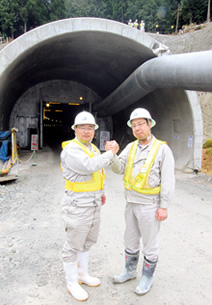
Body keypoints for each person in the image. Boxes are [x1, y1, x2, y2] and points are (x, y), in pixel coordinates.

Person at [105, 108, 175, 295]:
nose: (137, 128)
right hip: (131, 203)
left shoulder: (162, 149)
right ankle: (129, 271)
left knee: (150, 243)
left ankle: (147, 277)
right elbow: (119, 169)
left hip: (150, 205)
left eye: (141, 124)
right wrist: (112, 155)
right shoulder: (131, 147)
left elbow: (168, 180)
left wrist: (164, 206)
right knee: (130, 239)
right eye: (134, 125)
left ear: (149, 124)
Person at [60, 111, 119, 301]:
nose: (87, 131)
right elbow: (90, 166)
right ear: (75, 129)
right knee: (73, 245)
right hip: (77, 205)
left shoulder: (91, 147)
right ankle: (71, 283)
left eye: (90, 128)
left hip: (92, 203)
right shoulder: (72, 149)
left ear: (94, 130)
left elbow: (99, 173)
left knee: (87, 242)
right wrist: (111, 153)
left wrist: (100, 193)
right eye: (82, 127)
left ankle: (82, 275)